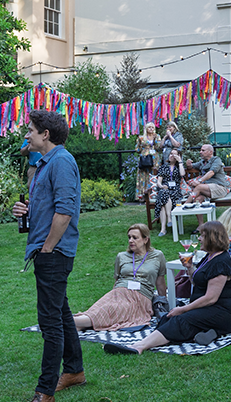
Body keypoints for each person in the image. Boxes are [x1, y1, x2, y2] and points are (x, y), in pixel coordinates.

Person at [10, 110, 85, 402]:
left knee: (49, 321)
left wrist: (48, 248)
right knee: (62, 313)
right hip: (47, 250)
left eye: (30, 130)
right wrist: (26, 212)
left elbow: (65, 211)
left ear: (46, 135)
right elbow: (48, 205)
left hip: (53, 252)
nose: (26, 134)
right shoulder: (45, 163)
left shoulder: (62, 162)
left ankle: (45, 391)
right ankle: (75, 371)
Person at [104, 221, 231, 354]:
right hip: (208, 308)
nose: (199, 239)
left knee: (181, 318)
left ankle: (139, 347)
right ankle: (208, 333)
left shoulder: (221, 262)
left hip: (225, 312)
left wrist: (182, 309)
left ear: (211, 238)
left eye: (202, 236)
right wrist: (189, 268)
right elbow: (197, 282)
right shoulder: (209, 257)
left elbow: (211, 298)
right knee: (168, 318)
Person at [72, 223, 167, 331]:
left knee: (111, 310)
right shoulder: (121, 256)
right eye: (129, 237)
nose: (131, 240)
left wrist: (164, 303)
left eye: (135, 238)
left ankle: (67, 321)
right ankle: (74, 324)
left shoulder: (157, 256)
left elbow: (160, 282)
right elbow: (117, 281)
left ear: (145, 240)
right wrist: (112, 298)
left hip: (141, 296)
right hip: (119, 292)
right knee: (102, 308)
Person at [153, 149, 187, 237]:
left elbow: (182, 174)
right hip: (164, 188)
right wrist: (161, 186)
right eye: (171, 153)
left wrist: (180, 161)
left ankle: (163, 229)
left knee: (162, 201)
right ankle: (169, 219)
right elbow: (159, 182)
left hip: (175, 190)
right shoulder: (164, 167)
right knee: (164, 193)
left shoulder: (179, 166)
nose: (171, 155)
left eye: (174, 154)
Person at [135, 122, 159, 202]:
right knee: (143, 176)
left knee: (153, 174)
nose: (151, 129)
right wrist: (141, 145)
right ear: (146, 129)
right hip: (144, 159)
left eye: (152, 127)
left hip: (154, 158)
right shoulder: (141, 137)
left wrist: (156, 140)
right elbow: (137, 149)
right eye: (149, 127)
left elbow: (159, 147)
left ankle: (154, 194)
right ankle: (142, 196)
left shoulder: (157, 136)